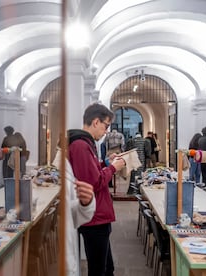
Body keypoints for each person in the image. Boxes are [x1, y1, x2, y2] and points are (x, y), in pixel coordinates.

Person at [68, 103, 126, 276]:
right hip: (94, 217)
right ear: (95, 122)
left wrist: (106, 163)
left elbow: (90, 171)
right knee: (99, 270)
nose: (106, 131)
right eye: (106, 126)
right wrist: (114, 168)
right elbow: (93, 183)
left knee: (107, 268)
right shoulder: (80, 145)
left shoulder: (85, 143)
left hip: (98, 215)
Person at [53, 147, 96, 276]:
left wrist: (86, 203)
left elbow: (72, 215)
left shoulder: (64, 167)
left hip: (63, 253)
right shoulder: (59, 165)